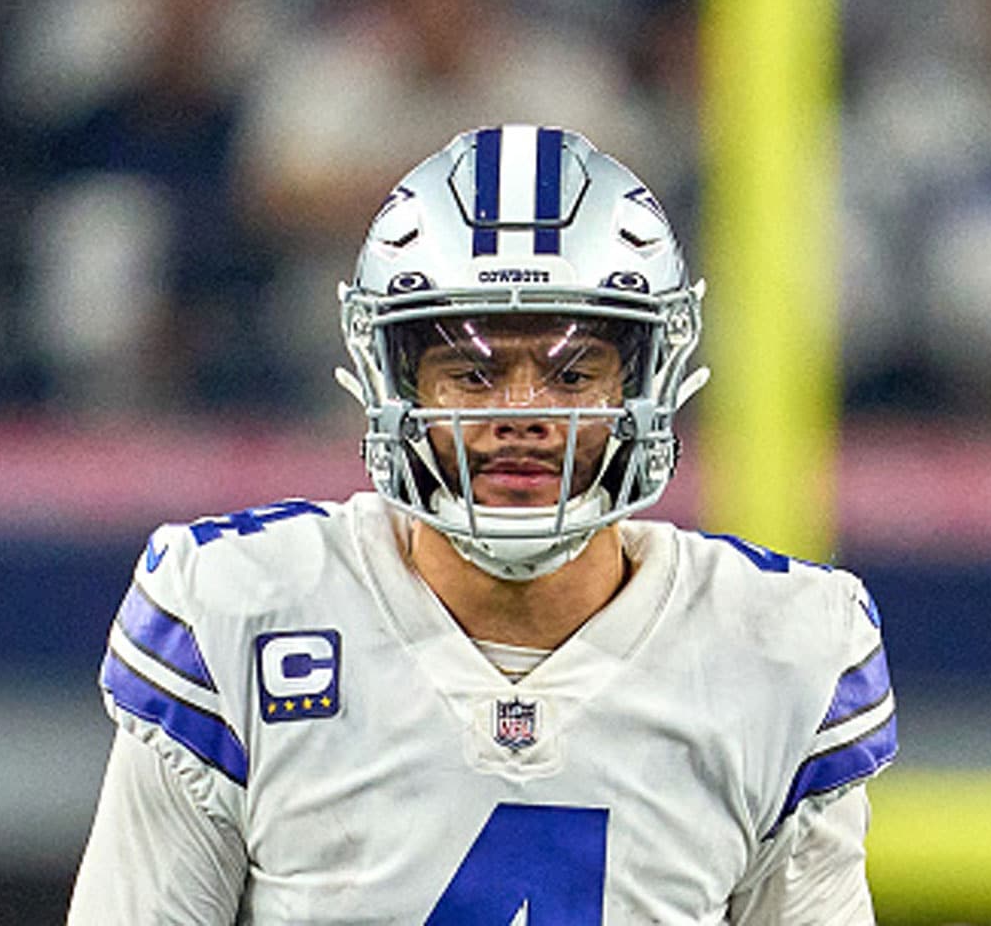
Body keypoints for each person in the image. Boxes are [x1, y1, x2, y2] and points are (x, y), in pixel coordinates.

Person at [68, 125, 897, 923]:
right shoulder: (238, 612)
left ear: (647, 382)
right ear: (397, 384)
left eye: (573, 373)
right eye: (472, 371)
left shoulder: (776, 650)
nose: (524, 413)